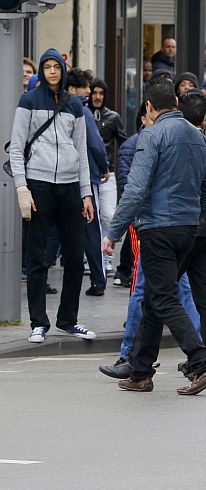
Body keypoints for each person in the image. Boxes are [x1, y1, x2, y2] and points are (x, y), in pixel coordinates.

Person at [103, 78, 206, 395]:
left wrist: (113, 232)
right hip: (189, 229)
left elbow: (136, 189)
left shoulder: (152, 134)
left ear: (149, 107)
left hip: (157, 228)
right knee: (155, 297)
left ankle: (202, 362)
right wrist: (189, 209)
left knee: (164, 297)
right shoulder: (199, 138)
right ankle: (141, 371)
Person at [9, 48, 97, 344]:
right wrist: (22, 187)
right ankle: (38, 322)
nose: (51, 71)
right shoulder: (28, 101)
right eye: (46, 67)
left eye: (55, 66)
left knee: (74, 256)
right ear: (42, 72)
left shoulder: (74, 106)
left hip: (70, 186)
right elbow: (18, 147)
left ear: (62, 69)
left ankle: (67, 320)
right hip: (39, 184)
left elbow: (82, 152)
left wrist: (86, 193)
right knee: (38, 257)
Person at [66, 68, 109, 297]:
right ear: (73, 89)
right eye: (85, 87)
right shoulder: (84, 112)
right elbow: (95, 145)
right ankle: (98, 280)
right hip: (86, 177)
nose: (89, 91)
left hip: (61, 178)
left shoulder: (58, 109)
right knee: (92, 229)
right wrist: (104, 167)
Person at [89, 78, 128, 276]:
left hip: (107, 174)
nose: (97, 97)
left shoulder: (113, 117)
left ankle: (107, 258)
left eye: (101, 93)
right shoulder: (83, 114)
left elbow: (124, 142)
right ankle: (90, 259)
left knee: (108, 215)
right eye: (94, 93)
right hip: (86, 174)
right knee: (89, 218)